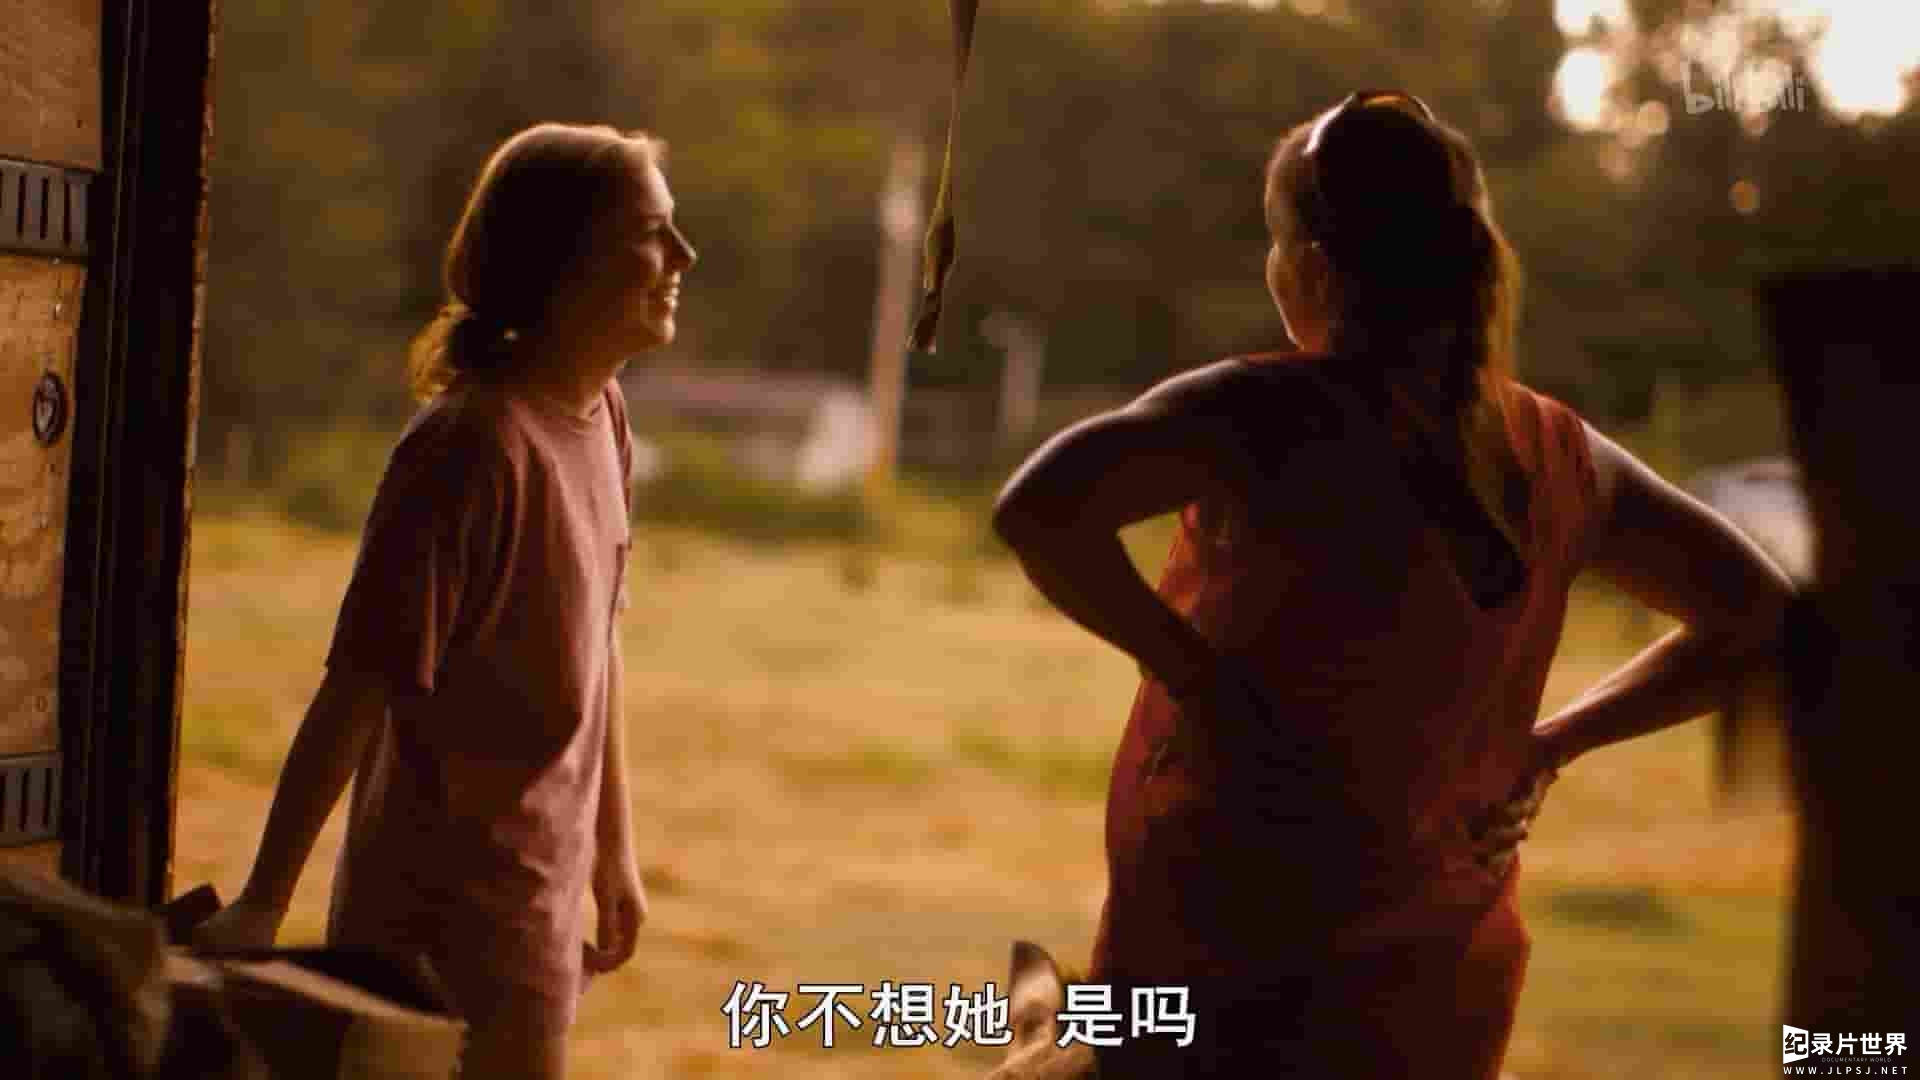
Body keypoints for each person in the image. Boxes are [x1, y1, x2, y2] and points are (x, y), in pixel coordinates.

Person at [991, 91, 1794, 1078]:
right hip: (1434, 991)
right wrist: (1552, 747)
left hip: (1224, 961)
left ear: (1314, 268)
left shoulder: (1261, 413)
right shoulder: (1563, 456)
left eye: (1276, 240)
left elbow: (1039, 510)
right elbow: (1758, 615)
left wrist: (1197, 680)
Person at [195, 122, 698, 1079]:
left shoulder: (605, 417)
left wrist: (614, 849)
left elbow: (599, 642)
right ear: (565, 257)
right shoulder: (469, 448)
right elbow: (359, 688)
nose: (684, 256)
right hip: (438, 939)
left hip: (538, 912)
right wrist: (264, 901)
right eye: (651, 231)